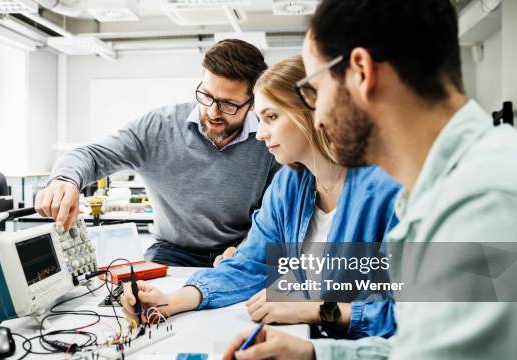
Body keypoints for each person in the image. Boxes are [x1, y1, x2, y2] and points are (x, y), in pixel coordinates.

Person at [129, 0, 517, 360]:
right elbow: (428, 358)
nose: (317, 115)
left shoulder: (482, 206)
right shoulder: (446, 189)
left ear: (362, 73)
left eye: (314, 90)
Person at [121, 56, 400, 340]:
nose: (260, 133)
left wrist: (317, 309)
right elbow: (251, 265)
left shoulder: (389, 190)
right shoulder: (289, 185)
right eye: (260, 119)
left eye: (271, 117)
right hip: (310, 345)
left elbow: (412, 314)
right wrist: (171, 302)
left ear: (314, 111)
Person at [35, 39, 278, 268]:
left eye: (228, 104)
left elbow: (281, 215)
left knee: (255, 310)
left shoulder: (270, 140)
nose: (212, 112)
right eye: (206, 96)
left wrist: (249, 248)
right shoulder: (159, 127)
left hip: (242, 249)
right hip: (171, 250)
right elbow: (92, 155)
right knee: (138, 304)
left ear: (252, 102)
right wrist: (64, 179)